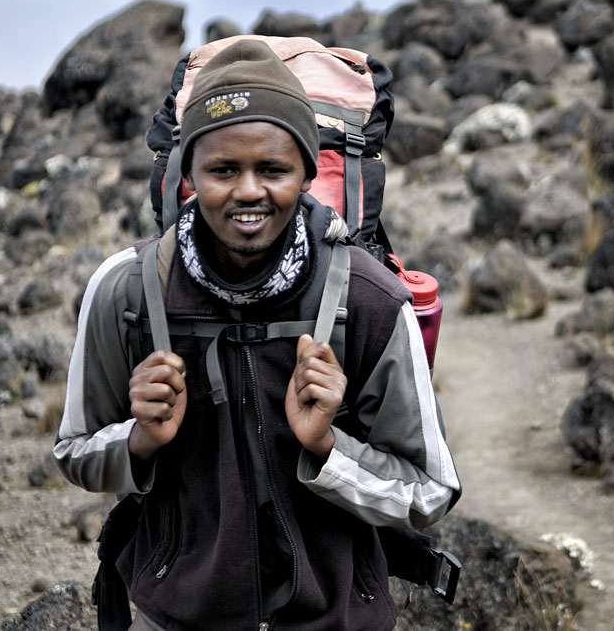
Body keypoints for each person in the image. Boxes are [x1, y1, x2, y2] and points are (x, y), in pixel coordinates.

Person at [54, 40, 461, 631]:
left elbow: (430, 490)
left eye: (272, 168)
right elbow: (75, 450)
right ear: (188, 173)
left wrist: (327, 449)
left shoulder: (366, 299)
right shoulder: (127, 293)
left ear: (304, 173)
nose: (248, 190)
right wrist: (139, 440)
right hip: (174, 619)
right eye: (223, 169)